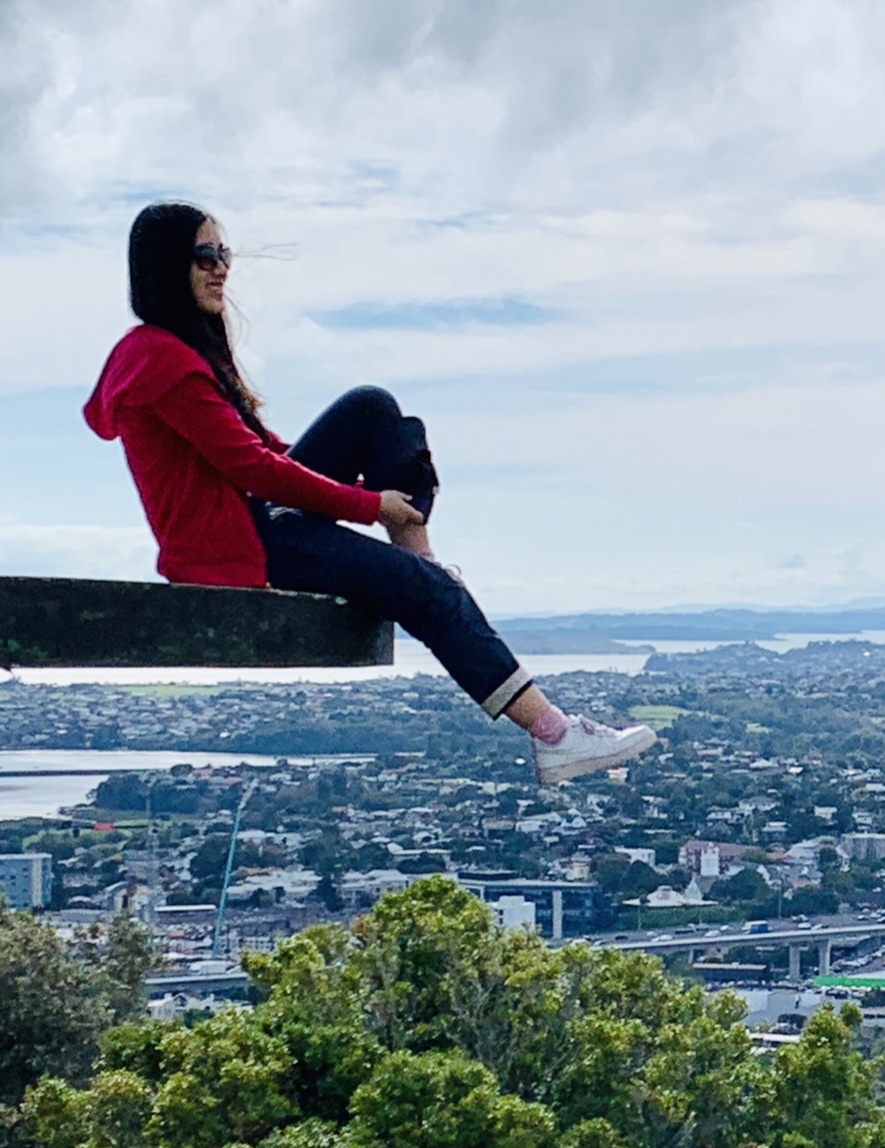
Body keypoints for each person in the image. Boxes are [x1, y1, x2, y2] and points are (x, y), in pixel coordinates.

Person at [84, 202, 653, 785]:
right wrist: (366, 504)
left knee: (375, 409)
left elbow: (264, 452)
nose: (221, 268)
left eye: (224, 254)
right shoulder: (162, 361)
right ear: (164, 266)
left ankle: (416, 554)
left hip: (254, 519)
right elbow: (252, 468)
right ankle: (553, 735)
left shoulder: (172, 353)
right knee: (428, 590)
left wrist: (364, 494)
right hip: (237, 544)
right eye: (205, 256)